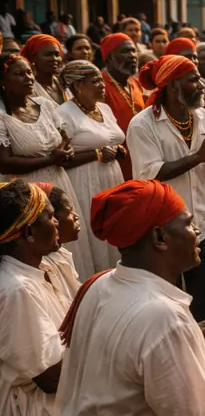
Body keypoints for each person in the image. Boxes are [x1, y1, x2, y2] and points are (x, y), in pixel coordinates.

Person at [47, 180, 205, 416]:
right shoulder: (163, 317)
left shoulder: (100, 284)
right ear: (159, 238)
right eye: (186, 222)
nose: (196, 229)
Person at [128, 55, 205, 321]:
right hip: (164, 225)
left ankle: (204, 345)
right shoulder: (142, 124)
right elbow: (151, 174)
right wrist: (198, 156)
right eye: (193, 79)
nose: (201, 84)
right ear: (173, 86)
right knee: (169, 294)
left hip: (201, 219)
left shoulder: (203, 116)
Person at [0, 180, 74, 416]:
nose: (57, 222)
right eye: (50, 216)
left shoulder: (42, 268)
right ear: (29, 232)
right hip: (31, 412)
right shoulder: (16, 289)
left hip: (55, 394)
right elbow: (50, 378)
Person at [0, 53, 89, 268]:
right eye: (19, 74)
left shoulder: (44, 105)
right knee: (41, 241)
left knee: (67, 238)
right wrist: (50, 158)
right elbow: (5, 162)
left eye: (29, 72)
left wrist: (64, 151)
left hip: (58, 181)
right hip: (26, 191)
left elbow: (63, 136)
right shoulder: (2, 115)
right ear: (3, 81)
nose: (28, 78)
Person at [56, 61, 126, 277]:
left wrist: (118, 149)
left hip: (112, 177)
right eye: (95, 81)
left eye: (101, 80)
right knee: (94, 237)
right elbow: (61, 157)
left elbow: (112, 138)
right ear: (78, 86)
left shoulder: (104, 108)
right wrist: (96, 154)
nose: (102, 85)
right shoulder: (64, 113)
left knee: (115, 230)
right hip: (84, 182)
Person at [100, 32, 145, 179]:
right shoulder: (100, 85)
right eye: (125, 51)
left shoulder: (135, 82)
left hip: (140, 154)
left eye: (133, 50)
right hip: (116, 159)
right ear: (110, 57)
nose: (132, 55)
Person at [22, 34, 68, 104]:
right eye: (48, 55)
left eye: (57, 54)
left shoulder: (64, 84)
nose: (54, 59)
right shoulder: (28, 88)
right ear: (33, 58)